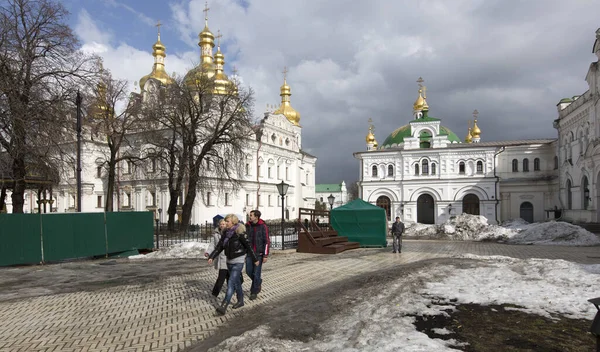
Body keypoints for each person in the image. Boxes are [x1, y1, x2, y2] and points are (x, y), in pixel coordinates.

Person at [208, 214, 259, 315]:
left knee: (231, 283)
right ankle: (240, 301)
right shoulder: (225, 233)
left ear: (233, 222)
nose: (225, 223)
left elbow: (248, 246)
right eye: (225, 221)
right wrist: (212, 256)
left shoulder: (240, 232)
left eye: (227, 221)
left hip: (238, 261)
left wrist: (255, 259)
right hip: (229, 261)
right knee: (236, 282)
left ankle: (224, 305)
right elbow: (219, 247)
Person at [245, 210, 270, 300]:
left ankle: (254, 291)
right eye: (249, 215)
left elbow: (266, 241)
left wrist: (265, 255)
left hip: (259, 254)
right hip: (249, 253)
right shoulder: (248, 226)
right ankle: (258, 282)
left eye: (251, 215)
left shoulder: (263, 226)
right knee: (248, 271)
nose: (249, 217)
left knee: (256, 273)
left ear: (256, 217)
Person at [205, 219, 228, 297]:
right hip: (220, 257)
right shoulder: (216, 234)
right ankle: (217, 292)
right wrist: (208, 253)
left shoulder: (230, 233)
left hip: (228, 257)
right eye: (221, 224)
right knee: (224, 275)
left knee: (224, 275)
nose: (222, 225)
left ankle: (216, 292)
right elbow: (213, 245)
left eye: (224, 224)